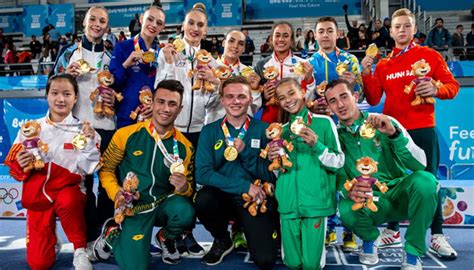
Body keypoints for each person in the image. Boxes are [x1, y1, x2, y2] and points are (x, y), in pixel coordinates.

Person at [361, 8, 460, 260]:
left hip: (423, 127)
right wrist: (366, 72)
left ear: (414, 29)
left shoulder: (429, 55)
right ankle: (393, 231)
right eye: (397, 26)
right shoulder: (384, 64)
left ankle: (436, 236)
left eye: (407, 26)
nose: (402, 30)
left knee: (429, 182)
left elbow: (453, 87)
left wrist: (436, 89)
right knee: (393, 180)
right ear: (391, 31)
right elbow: (373, 98)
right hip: (392, 132)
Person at [325, 79, 438, 269]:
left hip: (399, 194)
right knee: (344, 207)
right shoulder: (333, 135)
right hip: (369, 200)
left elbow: (420, 163)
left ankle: (413, 251)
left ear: (355, 96)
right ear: (329, 107)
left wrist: (394, 134)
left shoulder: (384, 121)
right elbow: (337, 174)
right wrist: (347, 190)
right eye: (333, 101)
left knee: (427, 181)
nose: (340, 105)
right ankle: (371, 238)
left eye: (344, 97)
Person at [5, 74, 101, 270]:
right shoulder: (30, 129)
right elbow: (14, 163)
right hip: (38, 197)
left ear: (75, 98)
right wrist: (21, 163)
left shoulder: (84, 131)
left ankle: (79, 250)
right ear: (47, 96)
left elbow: (88, 168)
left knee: (68, 199)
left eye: (67, 94)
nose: (61, 99)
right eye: (55, 93)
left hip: (68, 191)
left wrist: (89, 143)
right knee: (39, 264)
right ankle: (51, 238)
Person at [98, 80, 195, 268]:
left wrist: (184, 187)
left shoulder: (185, 146)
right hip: (133, 208)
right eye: (161, 101)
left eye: (172, 104)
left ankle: (166, 238)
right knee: (136, 267)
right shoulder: (125, 135)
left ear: (180, 108)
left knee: (185, 212)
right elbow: (106, 169)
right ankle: (112, 235)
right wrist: (116, 192)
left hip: (162, 205)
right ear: (152, 103)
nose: (166, 109)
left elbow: (189, 187)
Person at [195, 76, 279, 268]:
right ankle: (223, 239)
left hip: (254, 198)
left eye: (241, 96)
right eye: (230, 96)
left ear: (250, 99)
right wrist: (243, 185)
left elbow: (269, 174)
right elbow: (203, 174)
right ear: (222, 99)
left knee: (265, 260)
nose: (235, 101)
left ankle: (247, 228)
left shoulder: (264, 130)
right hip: (223, 196)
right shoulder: (209, 131)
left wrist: (246, 153)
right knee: (203, 199)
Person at [155, 3, 215, 257]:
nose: (195, 28)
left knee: (192, 184)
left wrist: (213, 82)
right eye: (191, 23)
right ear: (182, 26)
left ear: (206, 30)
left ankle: (187, 233)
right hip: (174, 129)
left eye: (200, 25)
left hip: (198, 129)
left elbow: (211, 102)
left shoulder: (210, 59)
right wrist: (169, 63)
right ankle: (171, 233)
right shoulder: (169, 52)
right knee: (171, 182)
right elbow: (161, 88)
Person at [51, 6, 115, 245]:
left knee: (108, 182)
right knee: (83, 185)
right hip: (78, 128)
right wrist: (66, 75)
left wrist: (114, 98)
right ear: (85, 23)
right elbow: (51, 86)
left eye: (102, 20)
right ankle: (87, 238)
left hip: (108, 126)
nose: (97, 24)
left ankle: (107, 236)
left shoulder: (113, 56)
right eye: (93, 19)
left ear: (107, 26)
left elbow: (120, 90)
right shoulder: (69, 52)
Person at [270, 78, 344, 269]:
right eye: (282, 97)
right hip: (288, 205)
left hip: (315, 204)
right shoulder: (281, 131)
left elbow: (338, 162)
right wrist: (275, 161)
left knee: (311, 265)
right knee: (292, 263)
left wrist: (317, 146)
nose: (288, 100)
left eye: (291, 93)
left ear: (303, 92)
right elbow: (279, 173)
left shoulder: (324, 123)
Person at [110, 4, 166, 128]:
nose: (154, 25)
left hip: (151, 116)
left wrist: (156, 105)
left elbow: (163, 88)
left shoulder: (161, 53)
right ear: (141, 19)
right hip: (126, 116)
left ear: (162, 27)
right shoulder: (123, 47)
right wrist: (126, 64)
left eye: (159, 22)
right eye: (150, 19)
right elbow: (113, 83)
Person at [255, 21, 315, 124]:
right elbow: (254, 102)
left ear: (292, 41)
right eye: (277, 35)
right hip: (270, 120)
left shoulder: (303, 64)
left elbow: (309, 98)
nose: (281, 39)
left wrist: (309, 80)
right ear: (271, 39)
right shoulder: (261, 65)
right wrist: (263, 96)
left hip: (296, 117)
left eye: (285, 36)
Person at [308, 16, 364, 117]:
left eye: (330, 31)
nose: (325, 35)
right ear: (315, 35)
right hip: (320, 120)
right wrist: (310, 105)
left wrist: (353, 85)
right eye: (321, 32)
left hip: (346, 121)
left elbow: (360, 98)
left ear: (337, 34)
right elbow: (304, 98)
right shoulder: (308, 64)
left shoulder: (350, 60)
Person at [207, 30, 262, 124]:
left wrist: (255, 90)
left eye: (240, 44)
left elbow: (254, 107)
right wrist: (218, 87)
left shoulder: (249, 72)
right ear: (224, 42)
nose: (235, 46)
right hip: (216, 126)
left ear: (244, 48)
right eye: (231, 41)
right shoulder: (210, 69)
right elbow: (205, 104)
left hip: (243, 128)